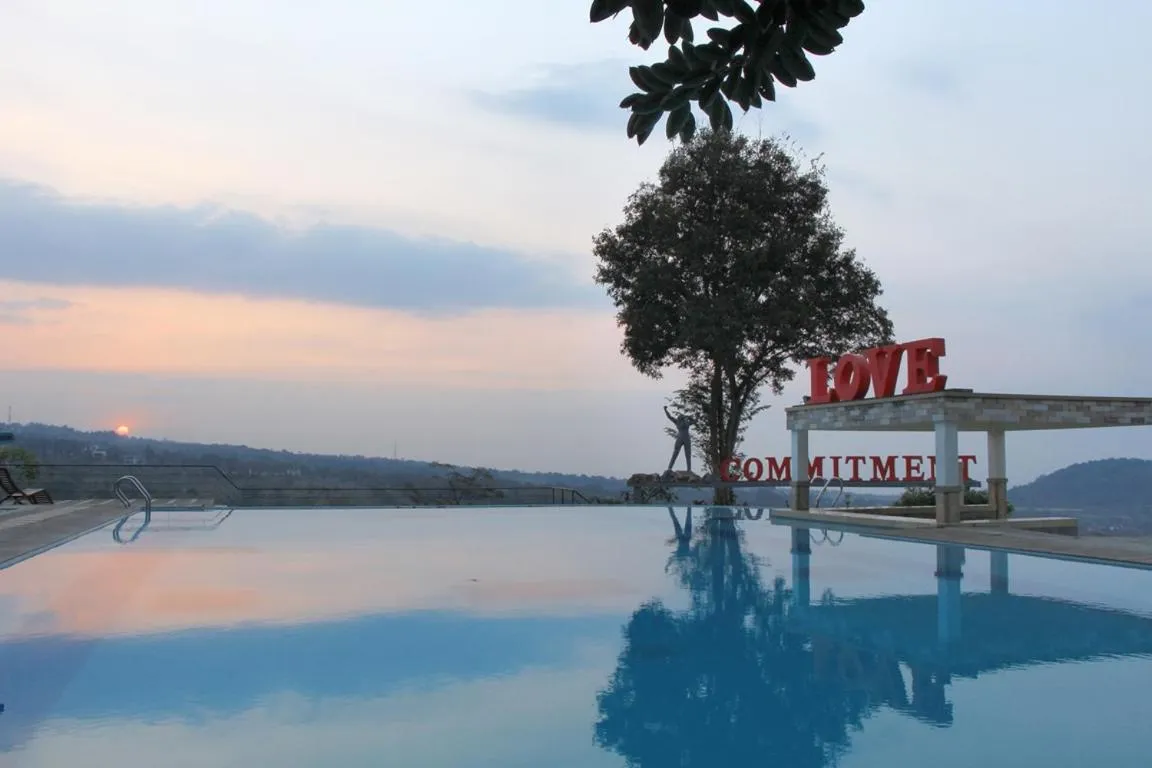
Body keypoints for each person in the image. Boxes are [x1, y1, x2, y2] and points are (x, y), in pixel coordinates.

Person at [664, 405, 694, 474]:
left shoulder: (685, 422)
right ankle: (669, 468)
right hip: (681, 438)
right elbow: (669, 417)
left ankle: (689, 469)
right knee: (675, 454)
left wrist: (689, 417)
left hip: (684, 439)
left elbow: (694, 421)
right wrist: (666, 410)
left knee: (687, 455)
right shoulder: (679, 422)